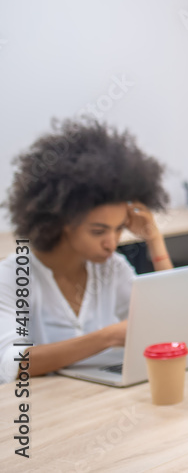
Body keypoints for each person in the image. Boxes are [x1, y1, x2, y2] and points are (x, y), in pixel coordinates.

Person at [0, 118, 175, 383]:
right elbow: (12, 366)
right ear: (62, 222)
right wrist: (107, 338)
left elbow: (168, 321)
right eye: (98, 231)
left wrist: (154, 239)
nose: (111, 242)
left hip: (96, 403)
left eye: (118, 229)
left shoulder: (112, 268)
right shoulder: (13, 276)